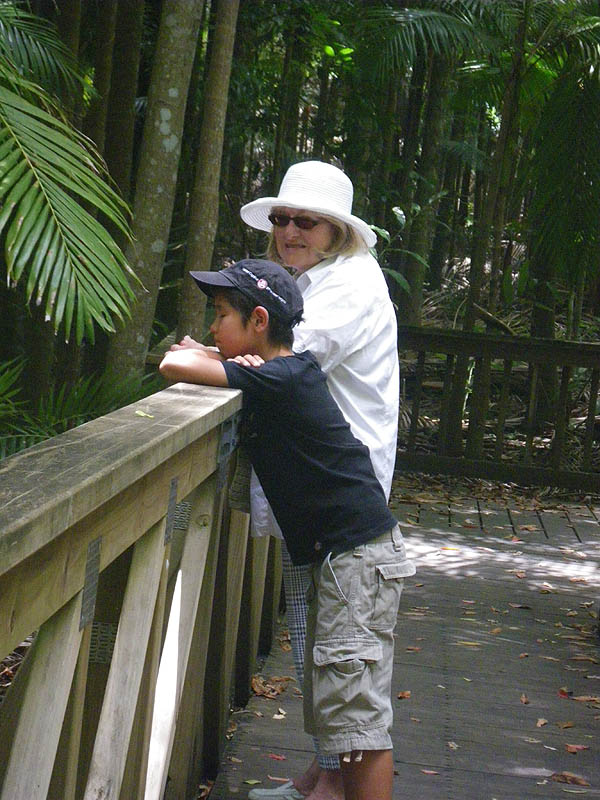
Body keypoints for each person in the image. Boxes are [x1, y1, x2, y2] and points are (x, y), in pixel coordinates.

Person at [170, 160, 400, 800]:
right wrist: (219, 351)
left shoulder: (350, 284)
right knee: (329, 668)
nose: (289, 231)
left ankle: (329, 785)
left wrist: (204, 356)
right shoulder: (315, 278)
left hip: (344, 514)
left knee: (354, 696)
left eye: (306, 221)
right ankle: (321, 788)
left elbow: (291, 358)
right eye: (281, 219)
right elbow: (261, 354)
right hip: (322, 514)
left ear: (337, 231)